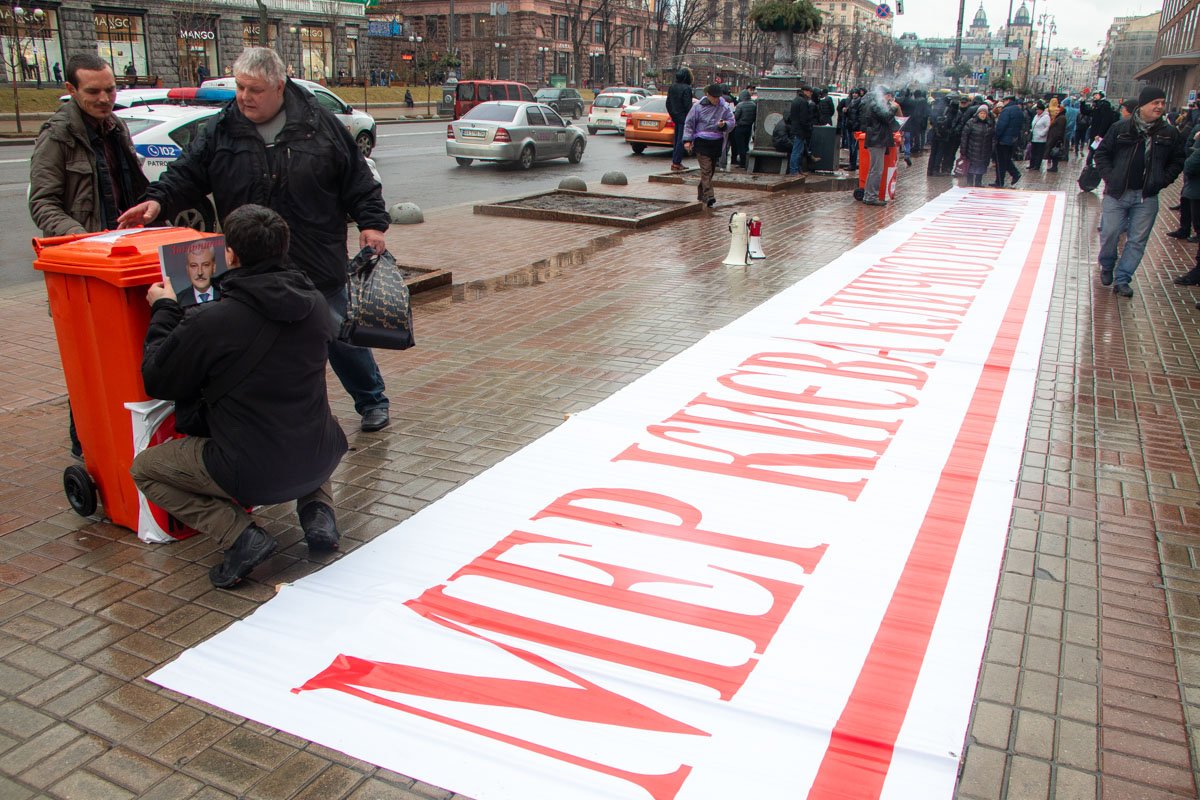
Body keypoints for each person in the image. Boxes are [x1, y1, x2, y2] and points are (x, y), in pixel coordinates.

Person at [118, 47, 393, 432]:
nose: (244, 96)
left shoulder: (321, 125)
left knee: (336, 333)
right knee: (258, 341)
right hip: (249, 261)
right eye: (240, 87)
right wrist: (156, 201)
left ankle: (371, 399)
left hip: (314, 253)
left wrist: (372, 223)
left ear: (280, 86)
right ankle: (284, 416)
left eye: (255, 89)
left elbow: (358, 181)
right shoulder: (221, 128)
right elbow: (186, 173)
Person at [131, 204, 348, 589]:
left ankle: (241, 535)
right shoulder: (314, 303)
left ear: (229, 255)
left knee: (145, 468)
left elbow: (157, 380)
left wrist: (164, 309)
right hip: (320, 454)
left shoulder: (213, 319)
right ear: (284, 248)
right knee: (303, 427)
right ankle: (319, 514)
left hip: (250, 473)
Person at [29, 52, 149, 459]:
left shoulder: (116, 128)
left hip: (124, 259)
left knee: (130, 352)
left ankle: (127, 433)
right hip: (83, 266)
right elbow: (43, 204)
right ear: (71, 90)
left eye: (110, 89)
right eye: (94, 91)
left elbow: (134, 186)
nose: (104, 98)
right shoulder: (58, 136)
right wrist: (81, 239)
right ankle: (87, 441)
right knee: (89, 358)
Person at [1093, 86, 1186, 297]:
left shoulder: (1169, 133)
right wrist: (1111, 176)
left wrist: (1161, 180)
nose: (1160, 107)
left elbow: (1178, 160)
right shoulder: (1121, 128)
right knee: (1110, 233)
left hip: (1146, 196)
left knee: (1137, 241)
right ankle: (1107, 264)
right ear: (1142, 105)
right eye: (1155, 103)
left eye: (1162, 103)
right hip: (1117, 193)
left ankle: (1123, 279)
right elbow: (1102, 154)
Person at [683, 83, 734, 208]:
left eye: (718, 97)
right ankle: (709, 195)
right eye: (714, 97)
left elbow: (732, 121)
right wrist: (687, 140)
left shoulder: (724, 107)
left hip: (716, 141)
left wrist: (724, 125)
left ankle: (702, 192)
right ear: (708, 95)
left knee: (710, 171)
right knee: (706, 169)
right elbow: (689, 123)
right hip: (701, 141)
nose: (716, 100)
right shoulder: (698, 107)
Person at [860, 86, 900, 206]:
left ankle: (869, 195)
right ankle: (871, 196)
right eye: (888, 95)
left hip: (877, 139)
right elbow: (887, 117)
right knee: (876, 170)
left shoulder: (874, 104)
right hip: (877, 140)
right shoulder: (876, 105)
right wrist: (893, 107)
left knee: (874, 170)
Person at [991, 96, 1023, 188]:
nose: (1003, 103)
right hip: (1012, 140)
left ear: (1008, 101)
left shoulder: (1006, 110)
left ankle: (1000, 181)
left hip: (1003, 140)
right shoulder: (1018, 110)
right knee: (1006, 160)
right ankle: (1014, 174)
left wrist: (996, 137)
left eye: (1004, 101)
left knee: (1000, 161)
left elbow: (1001, 125)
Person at [960, 102, 994, 187]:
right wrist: (963, 150)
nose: (983, 115)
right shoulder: (971, 123)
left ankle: (978, 183)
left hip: (984, 151)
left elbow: (993, 138)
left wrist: (992, 149)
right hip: (971, 151)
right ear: (978, 113)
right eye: (981, 113)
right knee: (970, 168)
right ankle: (969, 183)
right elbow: (964, 137)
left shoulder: (989, 124)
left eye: (984, 113)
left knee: (981, 168)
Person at [666, 68, 694, 171]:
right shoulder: (687, 88)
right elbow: (688, 105)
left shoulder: (672, 87)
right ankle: (676, 162)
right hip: (684, 117)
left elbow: (668, 103)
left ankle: (676, 161)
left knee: (677, 140)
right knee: (681, 140)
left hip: (675, 116)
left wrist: (673, 114)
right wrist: (690, 117)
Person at [787, 84, 815, 175]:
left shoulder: (796, 100)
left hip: (795, 129)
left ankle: (797, 170)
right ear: (805, 91)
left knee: (798, 151)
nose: (811, 94)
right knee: (797, 151)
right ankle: (794, 171)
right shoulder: (803, 102)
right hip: (800, 131)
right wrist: (808, 129)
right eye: (810, 92)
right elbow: (804, 119)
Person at [731, 88, 756, 169]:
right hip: (749, 127)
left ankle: (742, 162)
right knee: (746, 145)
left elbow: (736, 116)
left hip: (740, 127)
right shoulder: (753, 105)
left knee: (740, 145)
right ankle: (746, 161)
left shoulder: (740, 105)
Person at [1044, 105, 1066, 172]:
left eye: (1058, 110)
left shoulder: (1061, 118)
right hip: (1053, 137)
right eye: (1056, 111)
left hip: (1056, 138)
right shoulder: (1058, 117)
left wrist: (1059, 139)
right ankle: (1053, 166)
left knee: (1055, 152)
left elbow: (1060, 129)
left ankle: (1054, 167)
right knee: (1053, 152)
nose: (1056, 112)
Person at [1029, 102, 1049, 170]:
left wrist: (1042, 133)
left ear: (1042, 110)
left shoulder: (1046, 117)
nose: (1037, 111)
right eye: (1036, 109)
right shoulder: (1036, 116)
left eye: (1038, 109)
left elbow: (1047, 127)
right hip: (1034, 137)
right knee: (1033, 151)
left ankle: (1037, 165)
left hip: (1041, 139)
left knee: (1039, 153)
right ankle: (1032, 164)